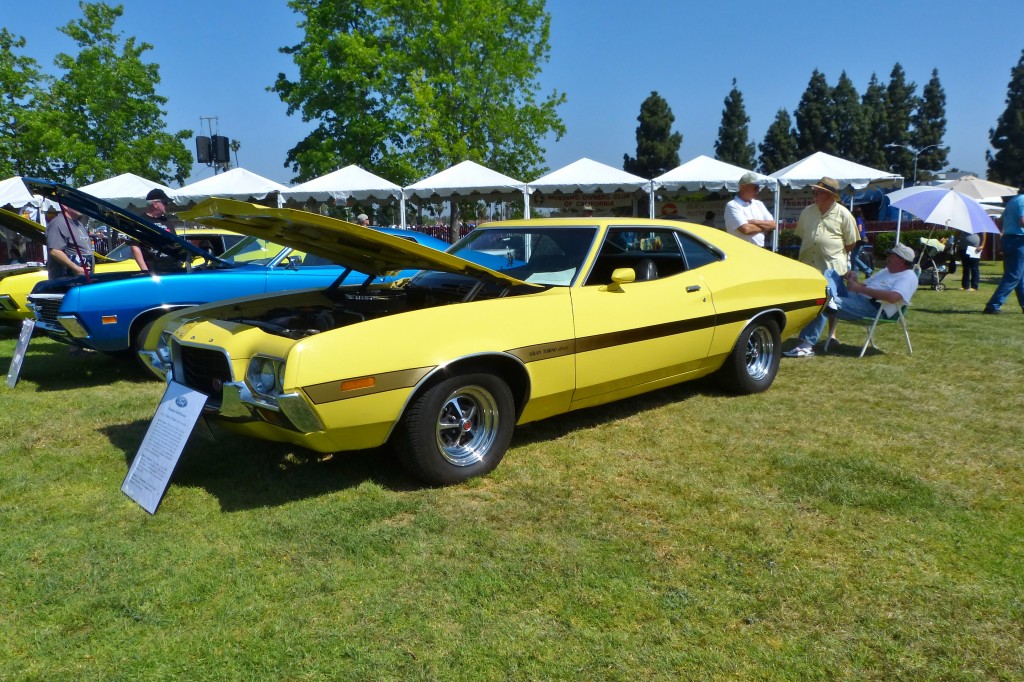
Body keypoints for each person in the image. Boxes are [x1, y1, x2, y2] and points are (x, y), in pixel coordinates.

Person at [784, 243, 919, 358]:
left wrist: (860, 290)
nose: (887, 257)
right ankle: (830, 298)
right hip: (857, 298)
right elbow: (860, 287)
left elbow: (893, 297)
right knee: (830, 273)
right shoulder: (886, 271)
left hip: (873, 308)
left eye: (891, 255)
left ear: (901, 261)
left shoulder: (908, 277)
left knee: (822, 301)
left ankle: (806, 346)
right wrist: (852, 279)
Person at [795, 177, 859, 276]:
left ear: (831, 195)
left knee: (829, 292)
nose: (815, 195)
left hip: (832, 273)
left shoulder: (844, 214)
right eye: (814, 192)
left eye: (819, 192)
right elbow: (803, 236)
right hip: (807, 270)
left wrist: (831, 252)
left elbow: (851, 243)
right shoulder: (806, 212)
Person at [983, 185, 1024, 314]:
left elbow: (1000, 221)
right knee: (1013, 276)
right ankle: (993, 305)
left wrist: (1001, 239)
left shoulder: (1013, 200)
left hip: (1009, 239)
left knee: (1020, 277)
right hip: (1018, 240)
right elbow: (1022, 221)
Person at [131, 188, 180, 273]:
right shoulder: (140, 221)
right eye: (165, 203)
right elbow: (135, 246)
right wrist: (145, 270)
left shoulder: (166, 220)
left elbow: (175, 242)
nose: (167, 205)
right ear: (155, 204)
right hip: (154, 270)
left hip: (173, 268)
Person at [724, 172, 776, 247]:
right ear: (743, 187)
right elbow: (746, 229)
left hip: (759, 250)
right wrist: (765, 228)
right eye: (755, 188)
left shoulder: (759, 204)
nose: (758, 191)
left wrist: (755, 221)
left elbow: (773, 225)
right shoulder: (732, 205)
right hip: (740, 250)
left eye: (759, 188)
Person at [46, 204, 94, 279]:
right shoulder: (58, 223)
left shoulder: (79, 223)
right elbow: (54, 251)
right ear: (65, 206)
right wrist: (76, 268)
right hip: (66, 282)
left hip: (81, 279)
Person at [849, 207, 872, 277]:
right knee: (854, 257)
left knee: (854, 257)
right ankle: (855, 274)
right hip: (860, 239)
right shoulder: (860, 219)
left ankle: (867, 270)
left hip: (860, 240)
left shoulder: (858, 219)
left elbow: (860, 228)